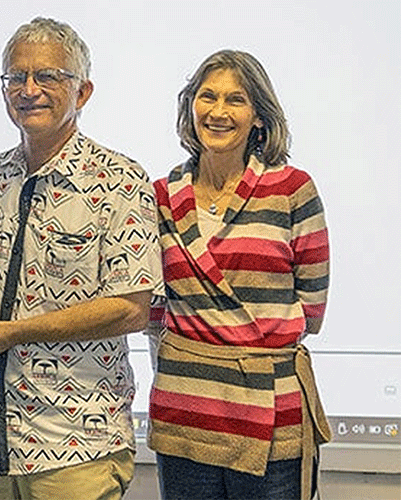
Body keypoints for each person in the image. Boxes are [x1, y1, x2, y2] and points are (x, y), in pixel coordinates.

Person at [0, 17, 161, 500]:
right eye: (15, 78)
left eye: (47, 77)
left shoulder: (120, 181)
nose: (29, 90)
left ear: (82, 92)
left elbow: (131, 308)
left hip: (75, 448)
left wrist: (14, 333)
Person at [146, 49, 332, 500]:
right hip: (185, 413)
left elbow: (312, 312)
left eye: (236, 100)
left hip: (271, 419)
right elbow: (153, 306)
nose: (219, 111)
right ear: (190, 109)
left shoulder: (292, 190)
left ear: (259, 118)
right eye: (207, 97)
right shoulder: (161, 196)